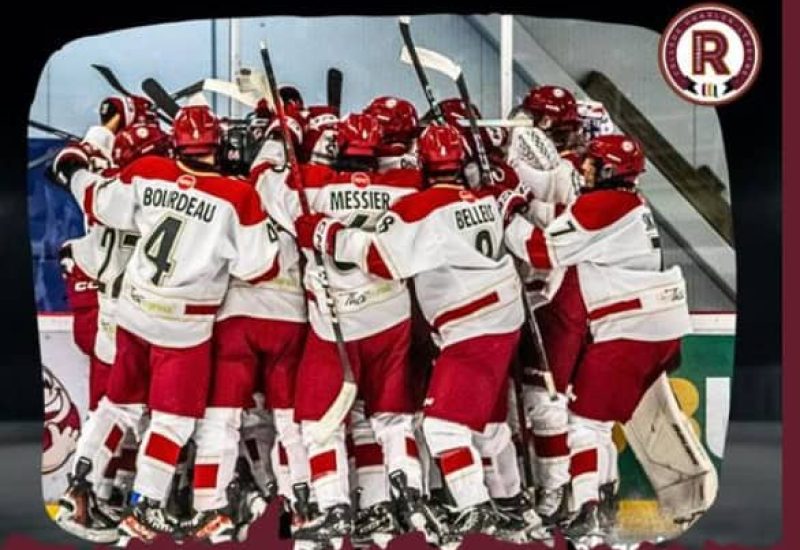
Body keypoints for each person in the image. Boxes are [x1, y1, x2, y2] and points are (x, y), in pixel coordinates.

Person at [295, 123, 547, 547]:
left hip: (469, 326)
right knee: (486, 421)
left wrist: (327, 234)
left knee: (443, 427)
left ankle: (474, 505)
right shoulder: (484, 198)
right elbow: (514, 208)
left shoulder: (421, 206)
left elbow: (381, 257)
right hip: (503, 317)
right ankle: (510, 500)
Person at [51, 104, 281, 544]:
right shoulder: (238, 196)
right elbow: (260, 267)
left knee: (118, 405)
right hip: (183, 327)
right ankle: (145, 504)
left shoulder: (148, 170)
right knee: (172, 423)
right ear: (217, 144)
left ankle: (78, 483)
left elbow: (95, 199)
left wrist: (75, 168)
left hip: (133, 313)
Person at [500, 134, 692, 544]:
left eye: (592, 165)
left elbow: (541, 251)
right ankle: (601, 509)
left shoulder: (604, 205)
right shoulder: (630, 203)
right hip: (655, 326)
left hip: (632, 329)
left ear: (608, 171)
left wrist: (508, 214)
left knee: (584, 425)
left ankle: (588, 513)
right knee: (597, 424)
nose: (584, 170)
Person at [259, 112, 428, 547]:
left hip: (337, 327)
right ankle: (406, 492)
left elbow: (261, 181)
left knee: (319, 422)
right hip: (392, 317)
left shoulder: (311, 184)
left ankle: (333, 505)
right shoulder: (405, 186)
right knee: (390, 417)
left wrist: (282, 139)